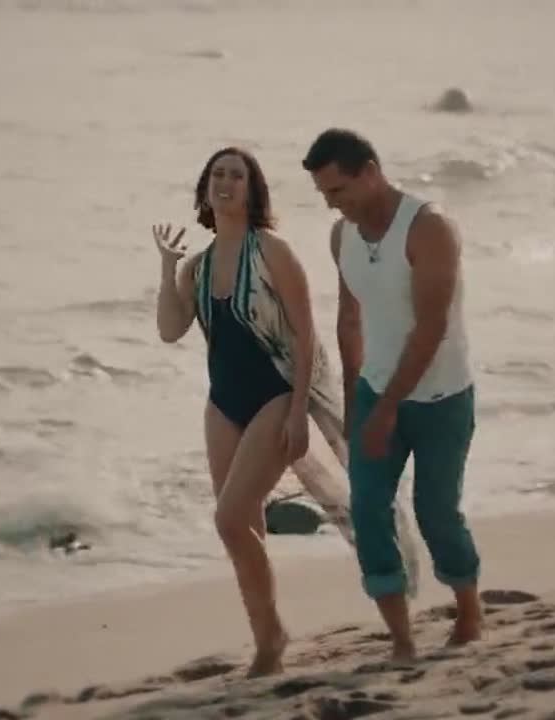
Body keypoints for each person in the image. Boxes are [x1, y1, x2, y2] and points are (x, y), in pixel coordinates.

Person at [151, 146, 420, 677]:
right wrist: (167, 268)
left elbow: (305, 335)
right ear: (205, 188)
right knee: (242, 524)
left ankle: (280, 636)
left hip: (276, 395)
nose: (226, 182)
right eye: (218, 174)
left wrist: (298, 412)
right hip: (223, 404)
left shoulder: (271, 250)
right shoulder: (197, 267)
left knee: (228, 518)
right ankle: (267, 641)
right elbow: (169, 329)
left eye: (237, 175)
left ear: (252, 191)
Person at [301, 128, 483, 660]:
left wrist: (385, 410)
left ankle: (469, 609)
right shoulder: (342, 236)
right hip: (374, 392)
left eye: (338, 190)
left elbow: (432, 328)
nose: (332, 204)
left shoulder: (429, 228)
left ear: (371, 173)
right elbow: (349, 317)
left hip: (442, 397)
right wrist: (354, 398)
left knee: (436, 513)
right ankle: (402, 640)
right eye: (324, 194)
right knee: (368, 511)